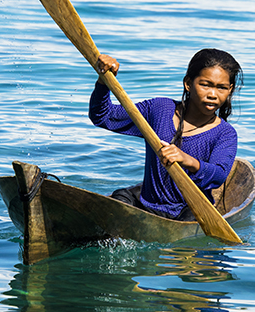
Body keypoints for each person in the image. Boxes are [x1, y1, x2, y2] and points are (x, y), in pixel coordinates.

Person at [90, 48, 243, 221]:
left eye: (221, 88)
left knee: (191, 222)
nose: (213, 95)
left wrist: (187, 160)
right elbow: (103, 116)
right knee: (119, 198)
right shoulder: (159, 110)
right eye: (205, 84)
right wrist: (103, 81)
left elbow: (219, 175)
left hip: (189, 211)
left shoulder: (225, 134)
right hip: (146, 204)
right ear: (188, 83)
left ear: (230, 90)